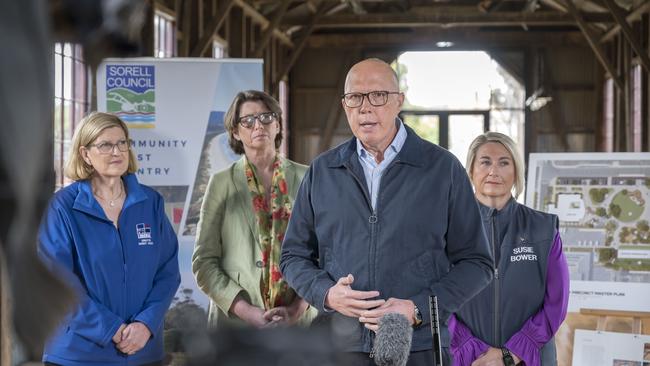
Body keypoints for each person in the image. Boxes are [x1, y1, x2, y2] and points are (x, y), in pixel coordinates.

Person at [279, 58, 494, 365]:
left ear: (399, 102)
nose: (365, 108)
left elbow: (477, 263)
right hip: (337, 346)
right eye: (355, 98)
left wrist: (419, 308)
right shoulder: (323, 172)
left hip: (418, 347)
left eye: (378, 95)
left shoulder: (442, 169)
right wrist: (326, 293)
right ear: (344, 105)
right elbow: (292, 256)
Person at [38, 112, 181, 366]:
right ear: (85, 154)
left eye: (122, 143)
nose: (117, 151)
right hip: (79, 354)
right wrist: (110, 328)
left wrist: (145, 324)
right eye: (105, 145)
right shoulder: (62, 207)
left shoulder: (151, 203)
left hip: (142, 351)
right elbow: (56, 281)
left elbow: (167, 272)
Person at [192, 90, 317, 329]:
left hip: (298, 326)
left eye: (266, 117)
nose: (258, 125)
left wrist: (297, 309)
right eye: (247, 121)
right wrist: (247, 311)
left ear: (278, 125)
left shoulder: (307, 177)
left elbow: (324, 253)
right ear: (236, 133)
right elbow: (204, 261)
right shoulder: (221, 183)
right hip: (236, 326)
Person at [449, 132, 569, 366]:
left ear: (516, 173)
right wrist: (471, 349)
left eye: (504, 162)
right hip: (466, 359)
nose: (493, 171)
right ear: (471, 171)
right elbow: (435, 297)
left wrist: (512, 353)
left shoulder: (543, 229)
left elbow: (557, 301)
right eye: (485, 162)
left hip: (529, 358)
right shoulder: (446, 229)